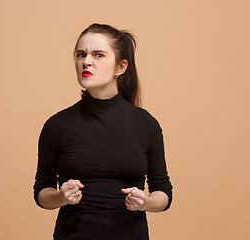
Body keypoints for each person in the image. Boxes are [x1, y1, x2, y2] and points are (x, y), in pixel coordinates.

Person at [33, 23, 173, 240]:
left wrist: (145, 202)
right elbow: (42, 193)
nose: (86, 61)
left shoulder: (146, 124)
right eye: (81, 54)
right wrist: (61, 196)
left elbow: (163, 193)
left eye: (98, 55)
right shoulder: (57, 125)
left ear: (121, 67)